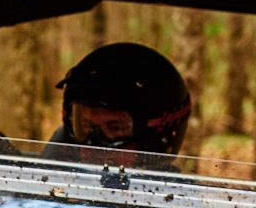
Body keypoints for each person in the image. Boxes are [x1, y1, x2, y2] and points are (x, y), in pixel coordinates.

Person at [47, 43, 192, 163]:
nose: (93, 148)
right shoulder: (49, 183)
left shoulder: (179, 191)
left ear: (157, 139)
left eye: (116, 129)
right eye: (85, 127)